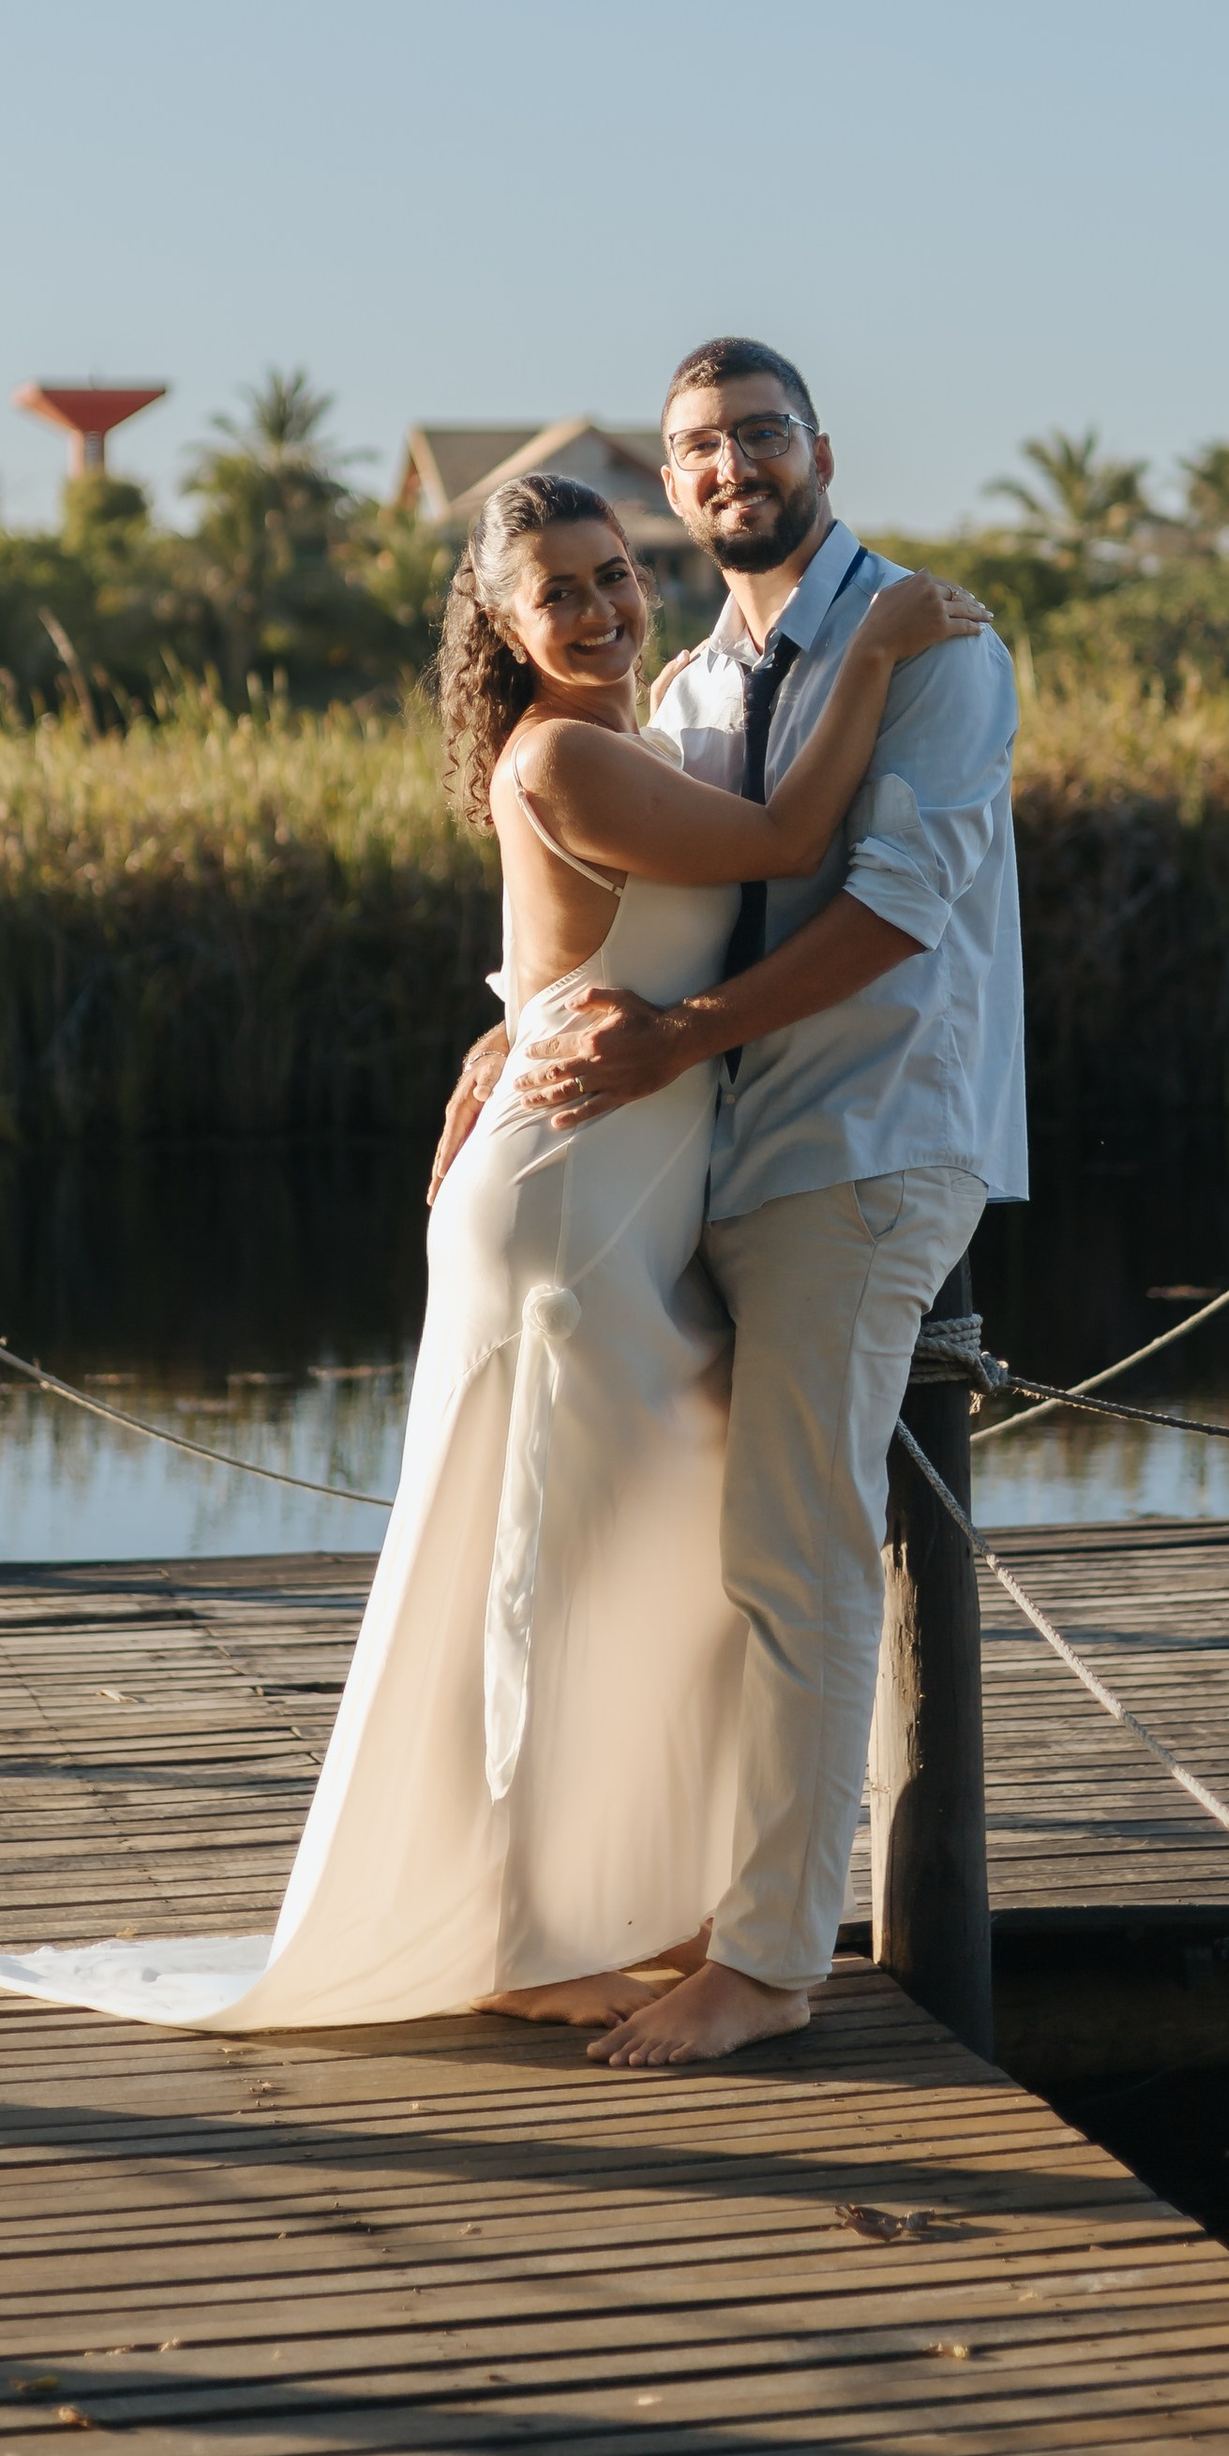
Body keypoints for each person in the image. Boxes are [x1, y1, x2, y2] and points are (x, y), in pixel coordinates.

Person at [0, 467, 984, 2039]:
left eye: (615, 572)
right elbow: (789, 831)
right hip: (571, 1201)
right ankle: (519, 1932)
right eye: (557, 589)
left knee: (609, 1553)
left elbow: (562, 956)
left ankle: (609, 1901)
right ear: (501, 627)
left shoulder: (638, 732)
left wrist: (504, 1029)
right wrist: (884, 651)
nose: (601, 604)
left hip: (630, 1178)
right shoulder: (567, 748)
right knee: (536, 1571)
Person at [438, 339, 1025, 2067]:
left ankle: (770, 1961)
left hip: (862, 1148)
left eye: (760, 433)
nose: (728, 465)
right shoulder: (694, 686)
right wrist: (505, 1038)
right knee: (696, 1558)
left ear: (819, 450)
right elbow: (625, 907)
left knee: (796, 1552)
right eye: (699, 445)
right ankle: (677, 1907)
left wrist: (679, 1034)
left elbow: (894, 906)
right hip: (697, 1173)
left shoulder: (931, 643)